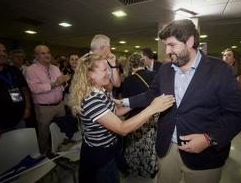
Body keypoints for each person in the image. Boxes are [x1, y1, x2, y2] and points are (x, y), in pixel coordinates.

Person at [121, 19, 241, 183]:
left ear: (190, 41)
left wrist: (209, 139)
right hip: (167, 148)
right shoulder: (166, 69)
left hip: (205, 156)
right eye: (166, 45)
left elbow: (238, 115)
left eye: (172, 45)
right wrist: (123, 102)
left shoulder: (220, 70)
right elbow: (150, 95)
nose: (167, 51)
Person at [68, 54, 175, 183]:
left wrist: (134, 102)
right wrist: (152, 108)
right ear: (90, 75)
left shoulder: (100, 90)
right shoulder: (91, 100)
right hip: (99, 155)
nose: (108, 73)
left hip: (109, 148)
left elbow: (116, 111)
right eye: (104, 70)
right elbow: (122, 128)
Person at [25, 45, 70, 154]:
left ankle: (61, 150)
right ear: (36, 56)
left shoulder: (55, 68)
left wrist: (64, 81)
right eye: (43, 53)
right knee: (44, 133)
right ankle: (43, 155)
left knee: (61, 129)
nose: (47, 55)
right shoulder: (31, 70)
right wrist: (55, 83)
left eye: (48, 52)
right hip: (44, 108)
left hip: (59, 105)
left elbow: (61, 85)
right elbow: (34, 88)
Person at [122, 53, 157, 178]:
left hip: (135, 116)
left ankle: (135, 169)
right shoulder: (155, 75)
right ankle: (150, 169)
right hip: (153, 115)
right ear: (143, 63)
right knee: (150, 145)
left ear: (131, 66)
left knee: (134, 146)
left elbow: (126, 102)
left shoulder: (128, 80)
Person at [0, 41, 31, 141]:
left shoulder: (13, 70)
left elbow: (24, 89)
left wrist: (27, 107)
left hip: (19, 119)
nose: (2, 54)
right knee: (3, 153)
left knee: (21, 146)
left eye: (4, 51)